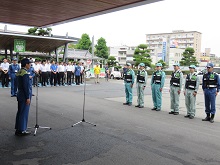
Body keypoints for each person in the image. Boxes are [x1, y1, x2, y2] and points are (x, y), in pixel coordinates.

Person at [15, 58, 32, 136]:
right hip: (24, 95)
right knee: (24, 112)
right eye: (29, 64)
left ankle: (18, 128)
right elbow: (25, 86)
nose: (30, 65)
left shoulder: (19, 72)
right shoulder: (25, 73)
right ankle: (22, 129)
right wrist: (28, 97)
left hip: (20, 93)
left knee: (20, 112)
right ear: (26, 64)